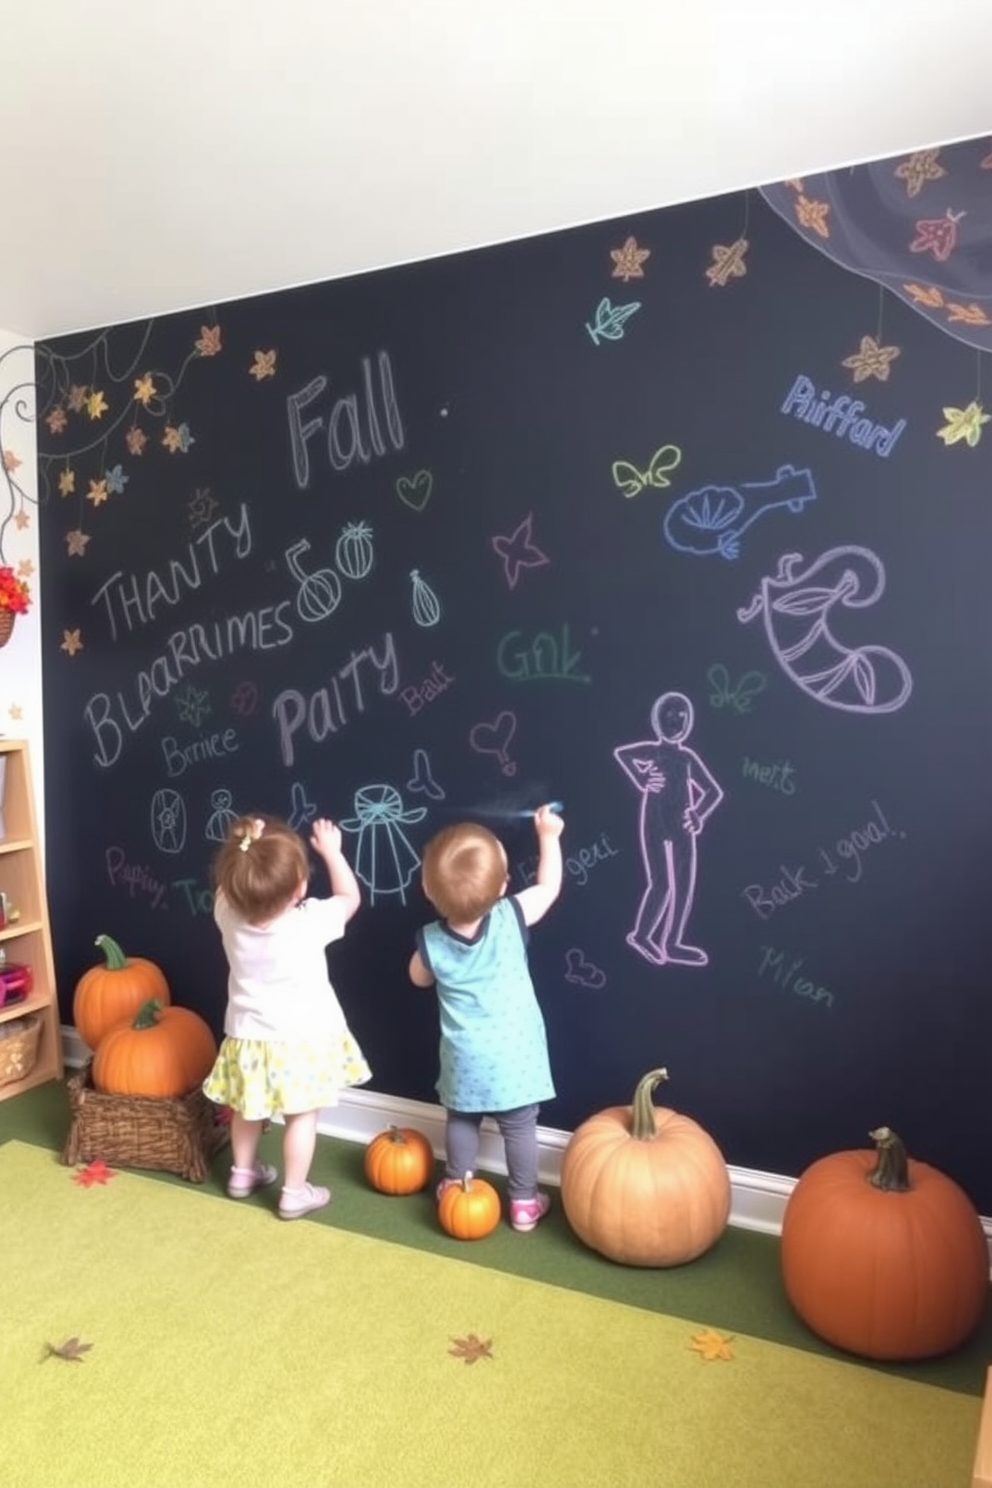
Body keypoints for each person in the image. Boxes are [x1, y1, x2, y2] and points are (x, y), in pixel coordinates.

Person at [203, 813, 370, 1220]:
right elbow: (351, 898)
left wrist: (246, 844)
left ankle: (243, 1173)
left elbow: (227, 885)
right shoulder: (310, 920)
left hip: (246, 1038)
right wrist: (332, 852)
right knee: (302, 1115)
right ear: (300, 888)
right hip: (303, 1042)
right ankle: (294, 1192)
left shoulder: (227, 914)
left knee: (247, 1107)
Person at [408, 804, 564, 1232]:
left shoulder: (431, 941)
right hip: (517, 1055)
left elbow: (416, 977)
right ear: (504, 886)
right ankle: (524, 1202)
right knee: (519, 1129)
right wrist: (548, 837)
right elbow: (549, 887)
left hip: (464, 1058)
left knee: (462, 1119)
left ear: (426, 886)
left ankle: (457, 1182)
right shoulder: (511, 916)